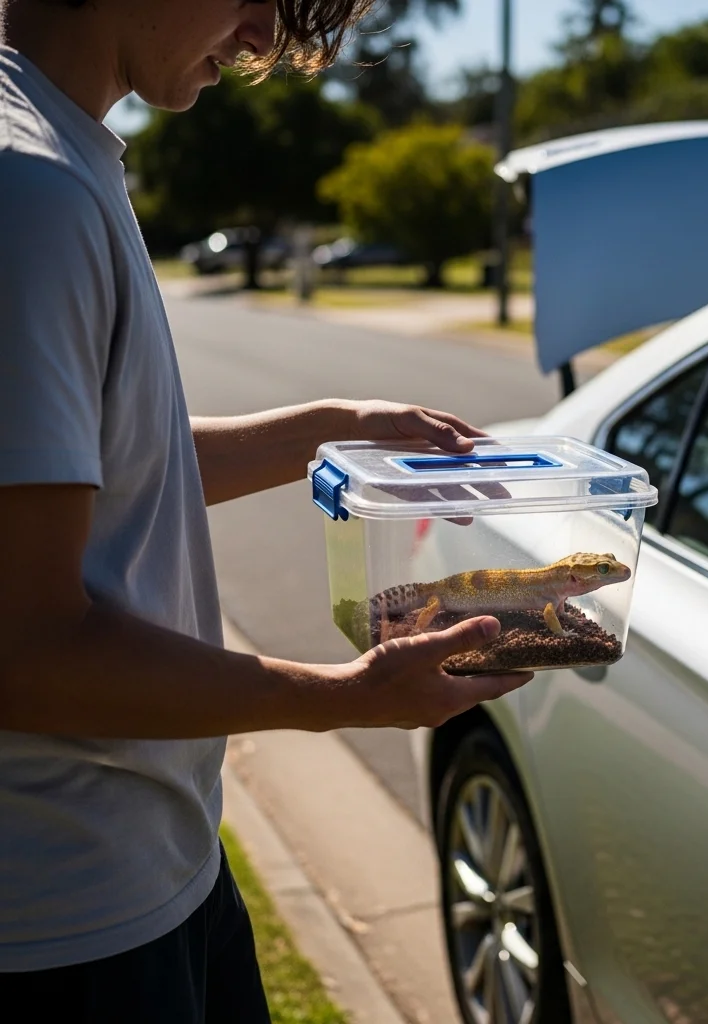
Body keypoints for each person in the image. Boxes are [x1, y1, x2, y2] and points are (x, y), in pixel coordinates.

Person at [0, 1, 531, 1019]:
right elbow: (26, 647)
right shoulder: (28, 190)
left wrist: (330, 430)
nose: (259, 41)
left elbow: (111, 465)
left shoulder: (61, 153)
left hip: (156, 869)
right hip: (70, 927)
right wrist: (347, 696)